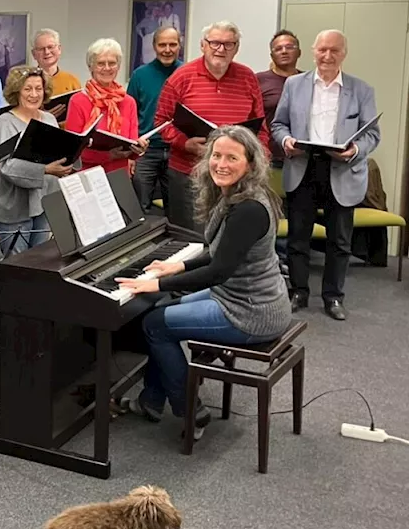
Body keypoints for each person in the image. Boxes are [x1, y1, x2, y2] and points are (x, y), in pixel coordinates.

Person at [117, 125, 290, 442]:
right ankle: (152, 402)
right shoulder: (237, 194)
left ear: (250, 163)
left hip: (251, 312)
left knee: (155, 323)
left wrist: (156, 284)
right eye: (217, 155)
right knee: (160, 316)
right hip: (240, 297)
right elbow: (219, 252)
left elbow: (218, 271)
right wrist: (178, 265)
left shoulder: (249, 208)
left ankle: (190, 411)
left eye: (232, 158)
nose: (221, 164)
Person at [272, 29, 380, 322]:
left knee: (339, 241)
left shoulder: (361, 90)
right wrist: (285, 142)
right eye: (322, 50)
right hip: (302, 166)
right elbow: (278, 124)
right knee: (297, 238)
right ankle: (299, 291)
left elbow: (372, 134)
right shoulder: (294, 85)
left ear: (344, 53)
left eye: (335, 50)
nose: (328, 56)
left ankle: (333, 296)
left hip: (342, 169)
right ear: (313, 51)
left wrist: (356, 150)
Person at [154, 20, 268, 232]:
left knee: (232, 238)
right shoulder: (181, 77)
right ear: (203, 45)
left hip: (238, 177)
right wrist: (185, 143)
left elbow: (261, 127)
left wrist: (257, 161)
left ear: (236, 48)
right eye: (215, 43)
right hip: (190, 174)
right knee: (192, 238)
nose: (220, 49)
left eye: (228, 44)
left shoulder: (248, 78)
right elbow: (161, 122)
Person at [0, 67, 76, 256]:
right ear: (16, 91)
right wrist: (45, 170)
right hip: (13, 206)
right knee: (18, 264)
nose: (34, 94)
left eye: (38, 88)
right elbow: (7, 167)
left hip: (45, 201)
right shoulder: (4, 122)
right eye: (28, 89)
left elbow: (57, 154)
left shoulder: (50, 119)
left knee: (38, 261)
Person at [66, 38, 144, 175]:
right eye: (101, 63)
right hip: (87, 175)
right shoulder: (78, 101)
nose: (107, 68)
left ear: (118, 66)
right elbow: (72, 151)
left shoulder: (129, 102)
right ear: (91, 67)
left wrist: (139, 149)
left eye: (112, 63)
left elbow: (131, 148)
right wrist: (109, 156)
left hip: (120, 176)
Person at [127, 26, 182, 215]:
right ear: (154, 46)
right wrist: (131, 153)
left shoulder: (186, 73)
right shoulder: (139, 75)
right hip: (145, 151)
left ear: (179, 46)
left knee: (177, 209)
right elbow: (129, 114)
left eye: (172, 44)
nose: (167, 49)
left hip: (178, 151)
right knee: (139, 208)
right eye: (162, 44)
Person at [257, 29, 303, 166]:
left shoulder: (309, 81)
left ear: (299, 52)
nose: (284, 51)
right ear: (272, 55)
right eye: (278, 49)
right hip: (269, 157)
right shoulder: (258, 80)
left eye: (289, 47)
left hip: (303, 157)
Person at [31, 28, 81, 99]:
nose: (47, 52)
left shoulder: (72, 80)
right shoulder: (26, 82)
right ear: (33, 54)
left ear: (59, 49)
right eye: (41, 49)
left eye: (50, 47)